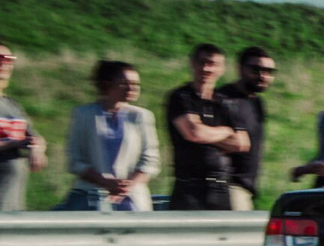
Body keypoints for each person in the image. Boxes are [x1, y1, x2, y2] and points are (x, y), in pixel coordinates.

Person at [64, 60, 162, 211]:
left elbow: (150, 160)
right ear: (107, 84)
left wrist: (127, 186)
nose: (132, 88)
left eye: (136, 84)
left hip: (132, 200)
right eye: (125, 83)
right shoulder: (83, 114)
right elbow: (75, 161)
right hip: (90, 197)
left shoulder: (141, 116)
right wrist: (105, 182)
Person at [166, 43, 249, 210]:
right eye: (202, 62)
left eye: (213, 64)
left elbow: (242, 143)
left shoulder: (225, 103)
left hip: (220, 186)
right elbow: (194, 133)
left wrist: (206, 134)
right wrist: (225, 132)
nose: (206, 68)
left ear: (222, 69)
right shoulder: (181, 97)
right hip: (189, 187)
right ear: (192, 63)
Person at [214, 46, 274, 210]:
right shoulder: (221, 99)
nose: (263, 76)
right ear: (240, 68)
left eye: (268, 71)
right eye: (256, 69)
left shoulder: (257, 103)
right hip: (229, 187)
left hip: (246, 189)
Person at [0, 40, 49, 210]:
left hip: (13, 201)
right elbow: (20, 141)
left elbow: (34, 137)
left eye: (9, 58)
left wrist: (37, 148)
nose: (4, 63)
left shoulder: (13, 105)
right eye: (0, 58)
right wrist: (15, 143)